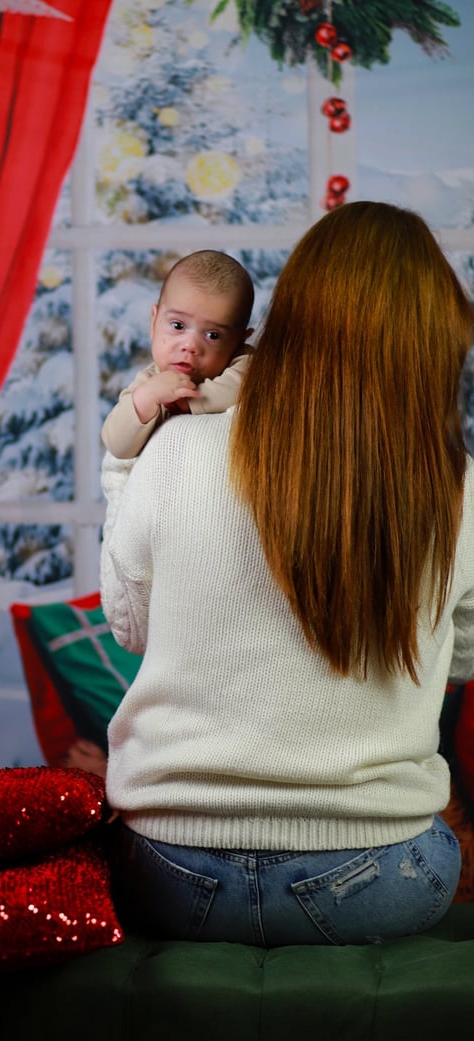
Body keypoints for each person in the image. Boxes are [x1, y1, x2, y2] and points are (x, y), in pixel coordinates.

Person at [99, 201, 474, 948]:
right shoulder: (457, 490)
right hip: (378, 882)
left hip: (164, 876)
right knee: (446, 847)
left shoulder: (176, 450)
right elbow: (462, 657)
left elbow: (131, 629)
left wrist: (121, 467)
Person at [101, 250, 254, 460]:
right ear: (154, 322)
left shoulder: (244, 365)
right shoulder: (150, 382)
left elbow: (247, 386)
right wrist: (146, 400)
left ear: (239, 342)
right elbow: (117, 446)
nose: (190, 345)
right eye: (178, 325)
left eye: (213, 335)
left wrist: (190, 401)